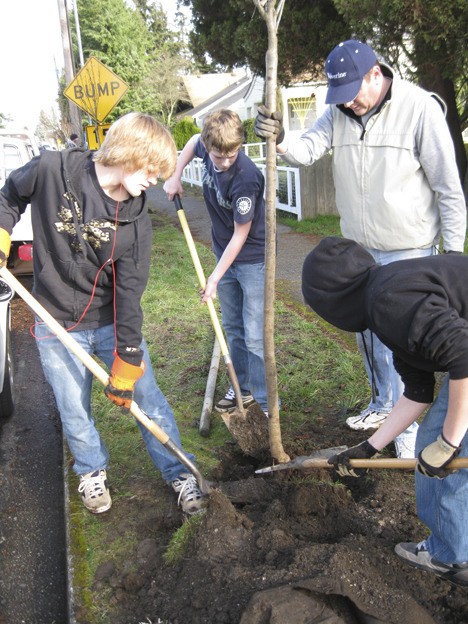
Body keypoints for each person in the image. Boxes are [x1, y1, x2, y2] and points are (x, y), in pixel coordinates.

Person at [254, 39, 466, 458]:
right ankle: (383, 406)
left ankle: (413, 429)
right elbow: (307, 149)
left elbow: (448, 188)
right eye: (341, 98)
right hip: (359, 254)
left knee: (410, 339)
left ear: (375, 73)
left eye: (353, 94)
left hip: (410, 249)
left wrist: (453, 255)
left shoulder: (419, 108)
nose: (348, 104)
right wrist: (280, 140)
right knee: (371, 339)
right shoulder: (338, 111)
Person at [0, 112, 204, 515]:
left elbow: (130, 292)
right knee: (73, 405)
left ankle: (181, 473)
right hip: (54, 318)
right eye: (151, 170)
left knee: (148, 398)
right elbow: (8, 196)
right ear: (129, 153)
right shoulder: (52, 170)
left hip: (110, 320)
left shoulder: (135, 221)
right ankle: (91, 471)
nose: (154, 182)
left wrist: (127, 361)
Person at [301, 236, 468, 587]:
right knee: (437, 439)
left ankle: (450, 557)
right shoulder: (386, 300)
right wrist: (369, 448)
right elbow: (418, 393)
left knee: (439, 460)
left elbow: (464, 355)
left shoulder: (389, 301)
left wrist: (448, 443)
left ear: (332, 300)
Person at [163, 109, 270, 416]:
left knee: (254, 334)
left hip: (251, 259)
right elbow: (193, 141)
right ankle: (242, 388)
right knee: (232, 327)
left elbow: (241, 234)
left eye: (231, 155)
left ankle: (262, 403)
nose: (224, 162)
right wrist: (175, 175)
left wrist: (213, 278)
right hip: (223, 252)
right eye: (217, 156)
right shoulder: (204, 143)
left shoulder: (246, 178)